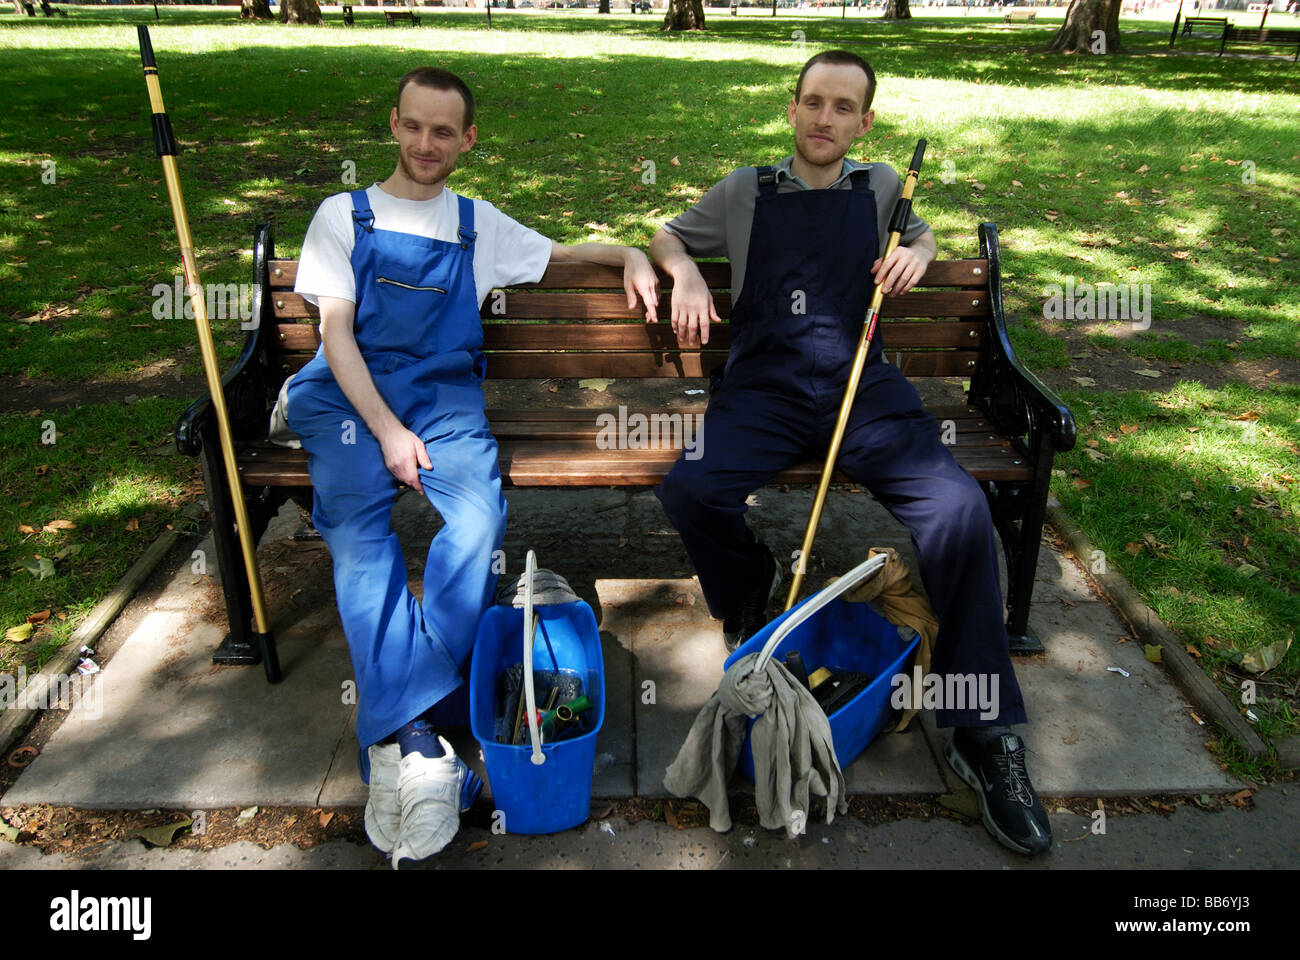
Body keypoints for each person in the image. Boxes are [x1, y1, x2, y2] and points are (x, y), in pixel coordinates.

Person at [648, 49, 1052, 855]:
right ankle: (750, 589)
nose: (824, 119)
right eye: (812, 103)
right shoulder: (744, 190)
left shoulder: (882, 192)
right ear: (791, 110)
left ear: (865, 123)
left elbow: (923, 236)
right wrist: (683, 271)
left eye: (843, 108)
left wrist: (922, 255)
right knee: (689, 490)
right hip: (763, 391)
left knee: (960, 510)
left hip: (862, 391)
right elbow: (664, 233)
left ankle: (983, 732)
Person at [276, 67, 658, 867]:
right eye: (413, 126)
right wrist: (383, 432)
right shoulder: (340, 216)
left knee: (480, 520)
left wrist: (631, 250)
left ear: (468, 139)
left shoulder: (477, 225)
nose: (426, 144)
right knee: (355, 529)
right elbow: (336, 338)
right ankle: (425, 728)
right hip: (350, 400)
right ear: (393, 123)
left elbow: (561, 253)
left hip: (446, 403)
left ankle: (404, 717)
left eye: (443, 131)